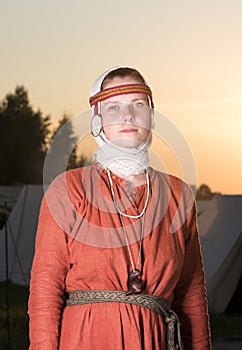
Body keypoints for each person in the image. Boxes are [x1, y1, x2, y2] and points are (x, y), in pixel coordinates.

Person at [28, 66, 212, 349]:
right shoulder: (68, 189)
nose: (128, 115)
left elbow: (192, 295)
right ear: (97, 120)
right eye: (114, 107)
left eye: (138, 105)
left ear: (151, 115)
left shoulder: (178, 195)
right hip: (84, 339)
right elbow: (45, 290)